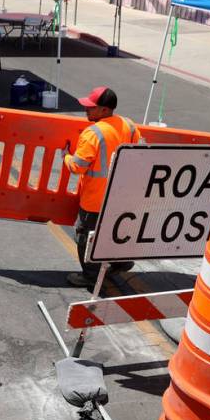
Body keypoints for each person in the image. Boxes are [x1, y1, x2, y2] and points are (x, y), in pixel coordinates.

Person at [63, 87, 141, 288]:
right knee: (115, 232)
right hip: (122, 196)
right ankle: (121, 262)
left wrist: (66, 156)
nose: (86, 110)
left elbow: (77, 167)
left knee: (84, 236)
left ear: (105, 110)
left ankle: (90, 276)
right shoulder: (130, 126)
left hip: (96, 199)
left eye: (91, 107)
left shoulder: (93, 133)